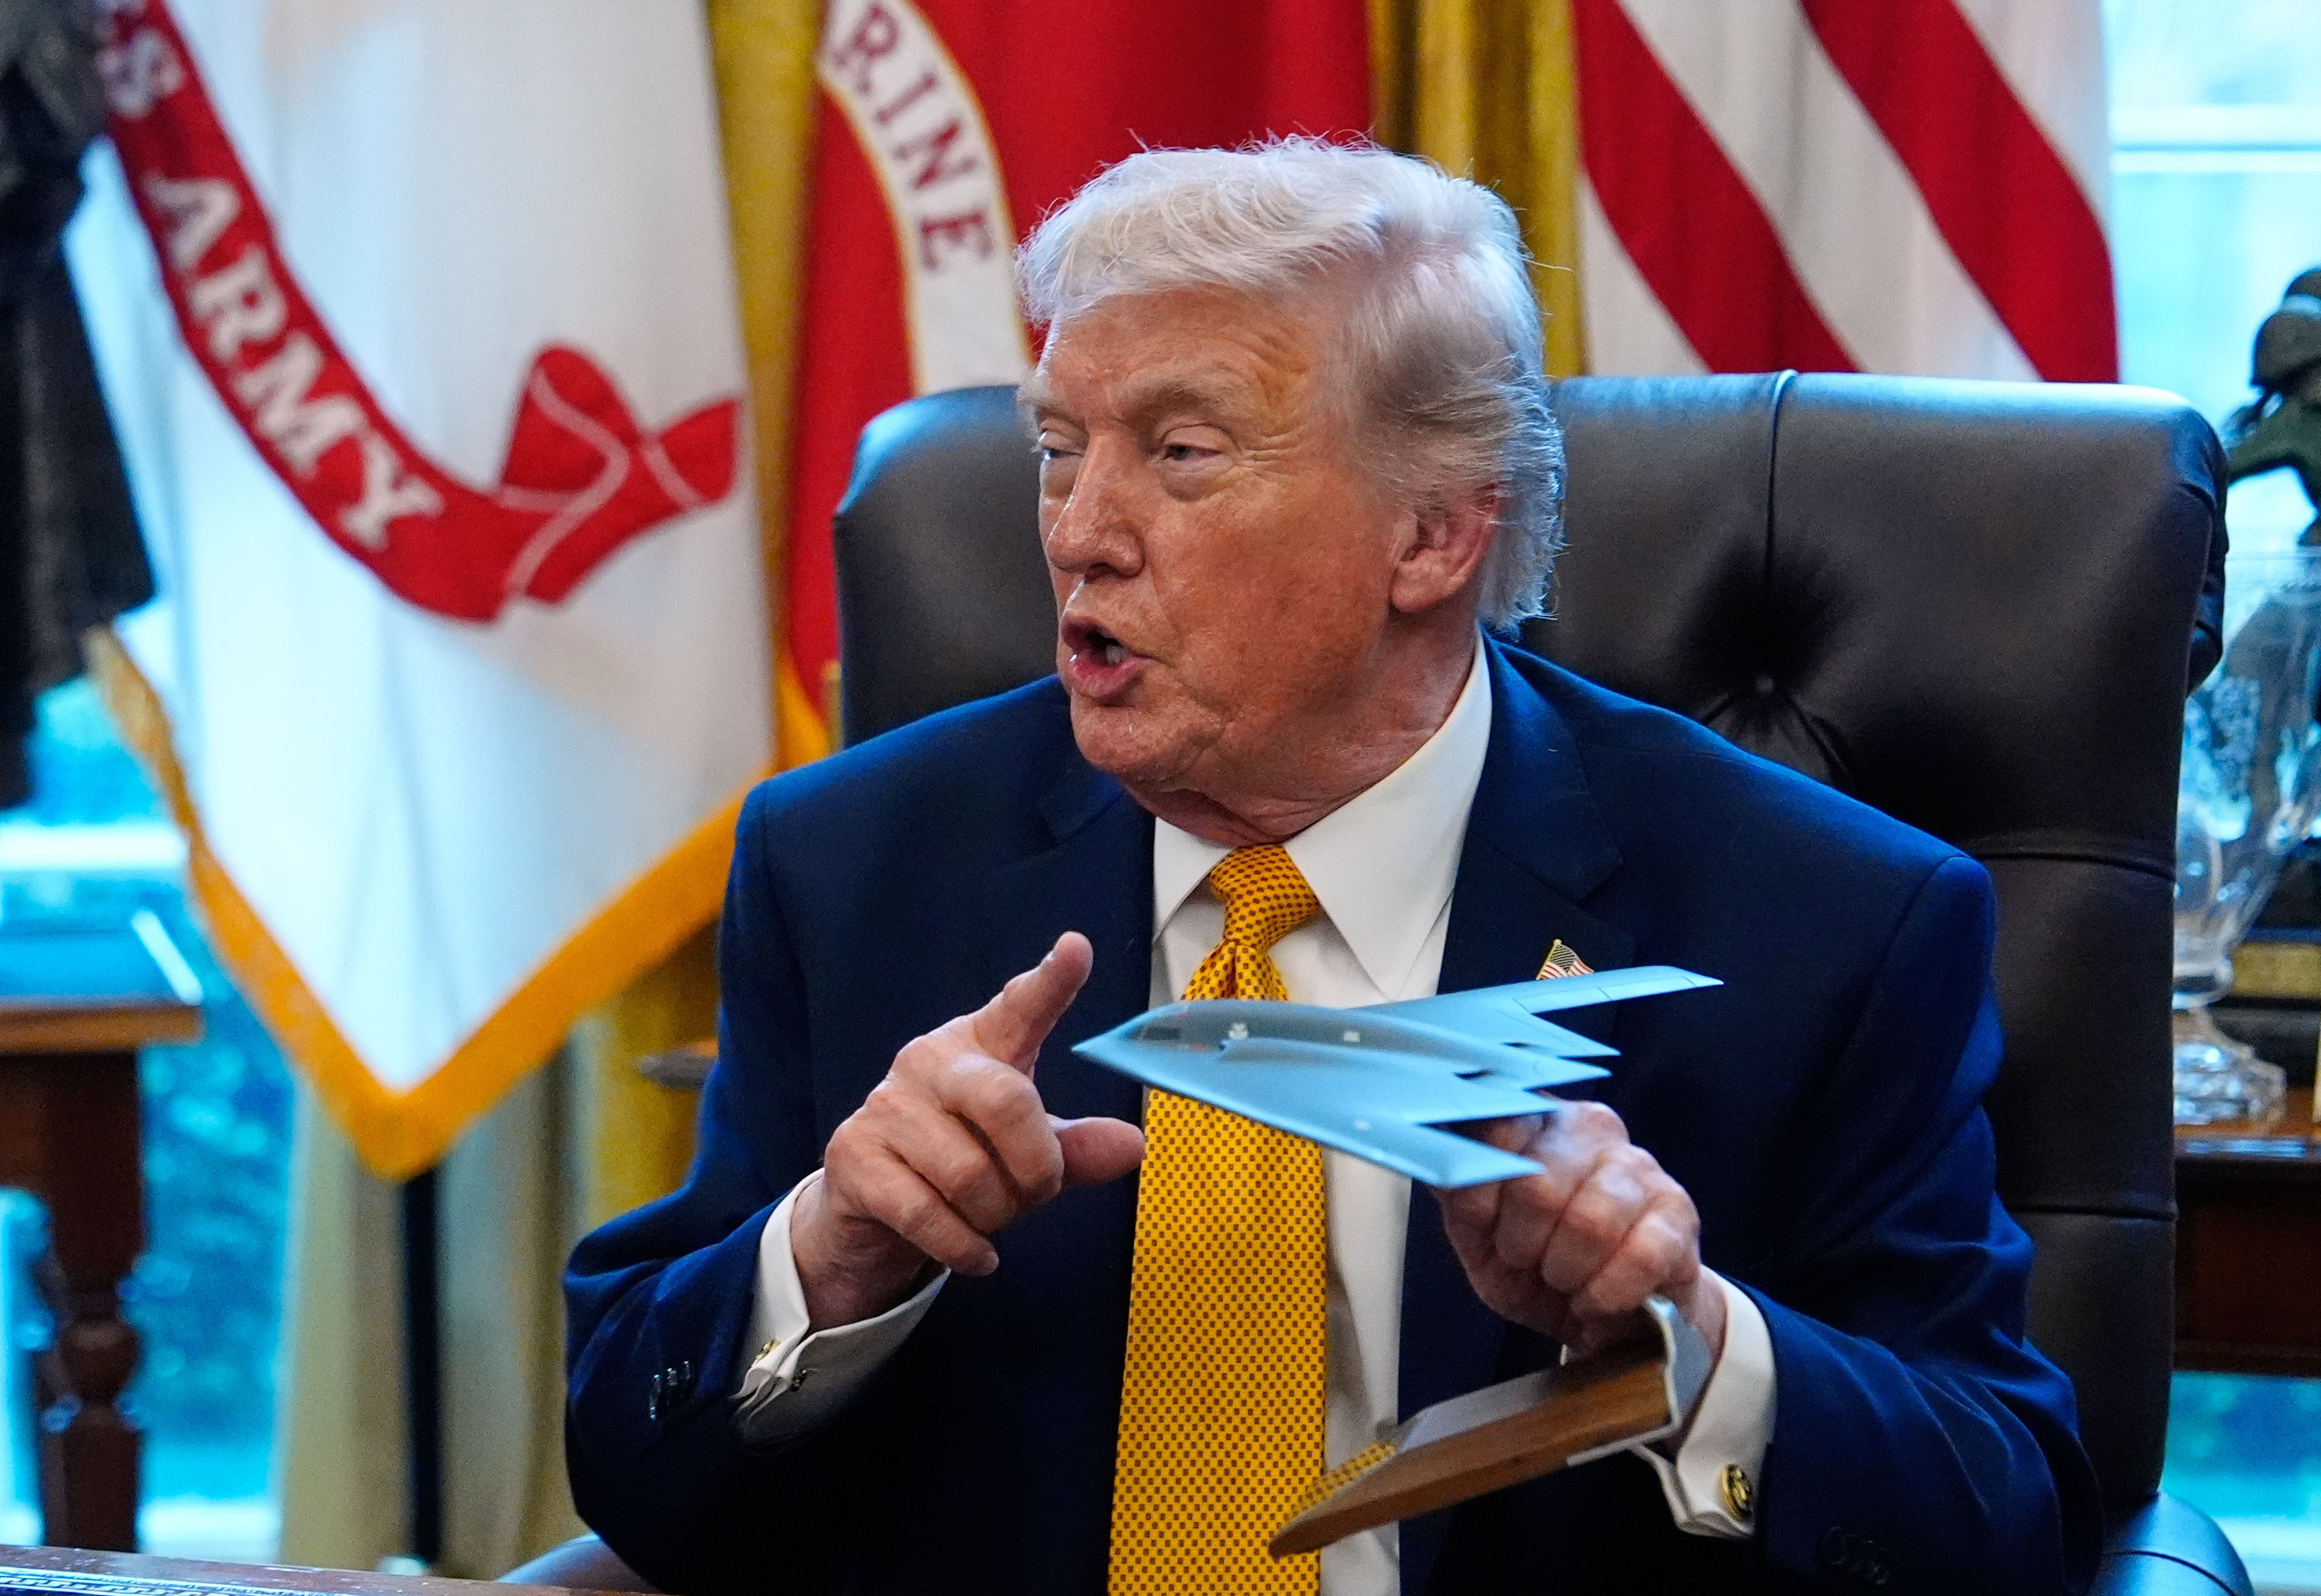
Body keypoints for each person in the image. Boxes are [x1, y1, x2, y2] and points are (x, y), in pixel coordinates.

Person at [563, 139, 2100, 1595]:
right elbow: (642, 1479)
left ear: (1430, 534)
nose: (1079, 533)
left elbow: (2001, 1516)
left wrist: (1688, 1344)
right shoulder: (854, 866)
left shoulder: (1819, 922)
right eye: (1055, 448)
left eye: (1180, 453)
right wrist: (827, 1263)